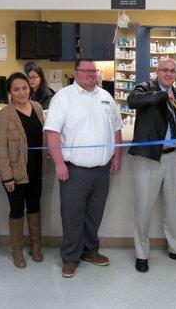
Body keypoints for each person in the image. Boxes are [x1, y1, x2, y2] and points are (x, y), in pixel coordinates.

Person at [44, 59, 122, 278]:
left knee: (94, 214)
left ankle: (90, 251)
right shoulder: (64, 97)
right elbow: (52, 132)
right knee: (72, 215)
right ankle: (70, 257)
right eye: (85, 70)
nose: (90, 74)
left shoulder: (106, 97)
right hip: (74, 169)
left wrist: (117, 157)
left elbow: (117, 129)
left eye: (93, 71)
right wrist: (59, 163)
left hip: (101, 170)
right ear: (75, 73)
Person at [127, 58, 176, 273]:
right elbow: (132, 101)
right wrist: (162, 96)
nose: (168, 73)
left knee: (174, 207)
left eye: (172, 71)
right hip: (148, 157)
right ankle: (141, 254)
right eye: (164, 70)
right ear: (157, 71)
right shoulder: (145, 88)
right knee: (143, 208)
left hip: (173, 156)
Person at [0, 72, 46, 268]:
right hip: (15, 173)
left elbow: (44, 136)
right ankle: (17, 250)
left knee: (34, 207)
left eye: (25, 87)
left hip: (35, 170)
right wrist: (7, 176)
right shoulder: (5, 115)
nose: (22, 92)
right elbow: (0, 148)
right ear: (10, 92)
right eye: (16, 89)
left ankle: (35, 246)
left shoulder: (37, 107)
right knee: (17, 211)